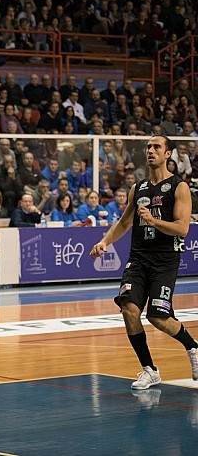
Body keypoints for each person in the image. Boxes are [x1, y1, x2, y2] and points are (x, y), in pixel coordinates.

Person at [90, 135, 198, 389]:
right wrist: (105, 241)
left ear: (168, 154)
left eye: (157, 147)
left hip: (165, 260)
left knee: (158, 317)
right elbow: (125, 222)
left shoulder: (178, 187)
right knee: (129, 309)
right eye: (149, 147)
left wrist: (153, 221)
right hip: (138, 259)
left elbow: (182, 229)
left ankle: (193, 347)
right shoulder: (138, 188)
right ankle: (149, 369)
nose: (151, 151)